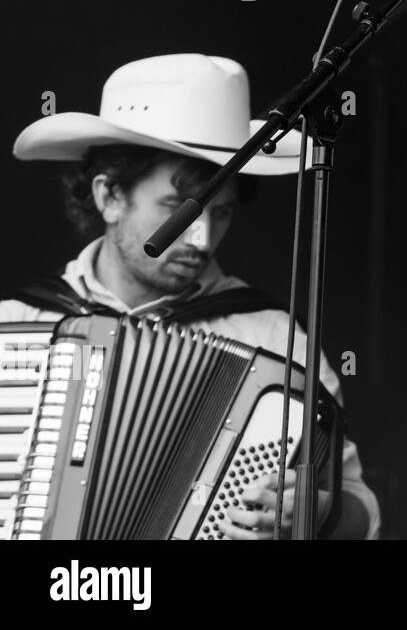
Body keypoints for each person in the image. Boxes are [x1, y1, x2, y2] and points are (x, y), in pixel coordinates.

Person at [0, 53, 381, 539]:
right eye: (180, 212)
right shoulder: (17, 325)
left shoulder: (275, 338)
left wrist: (316, 513)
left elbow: (364, 514)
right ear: (109, 196)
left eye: (220, 214)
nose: (202, 239)